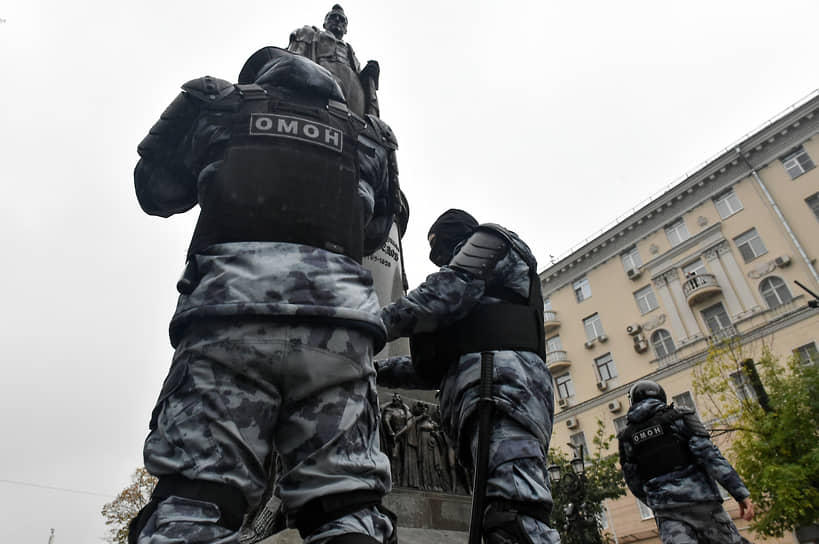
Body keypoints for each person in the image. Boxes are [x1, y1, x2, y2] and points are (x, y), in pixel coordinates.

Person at [128, 46, 400, 544]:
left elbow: (156, 189)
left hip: (229, 321)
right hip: (338, 333)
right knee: (346, 505)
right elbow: (380, 227)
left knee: (197, 498)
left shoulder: (217, 102)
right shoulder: (370, 137)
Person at [376, 209, 561, 544]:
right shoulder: (469, 303)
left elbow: (444, 291)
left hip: (503, 393)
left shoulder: (493, 241)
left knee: (514, 516)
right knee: (495, 519)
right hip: (480, 402)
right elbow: (429, 368)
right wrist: (373, 369)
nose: (439, 257)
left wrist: (366, 327)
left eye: (441, 248)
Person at [618, 380, 755, 544]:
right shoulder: (679, 416)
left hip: (667, 514)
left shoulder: (626, 437)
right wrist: (740, 493)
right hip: (703, 504)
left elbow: (633, 482)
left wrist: (657, 502)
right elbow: (709, 456)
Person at [288, 4, 380, 118]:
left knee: (372, 70)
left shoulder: (350, 51)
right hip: (324, 78)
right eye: (333, 17)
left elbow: (358, 74)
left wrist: (367, 75)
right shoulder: (313, 34)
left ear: (346, 29)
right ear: (324, 23)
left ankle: (372, 118)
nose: (337, 20)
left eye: (342, 20)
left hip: (353, 94)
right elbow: (296, 56)